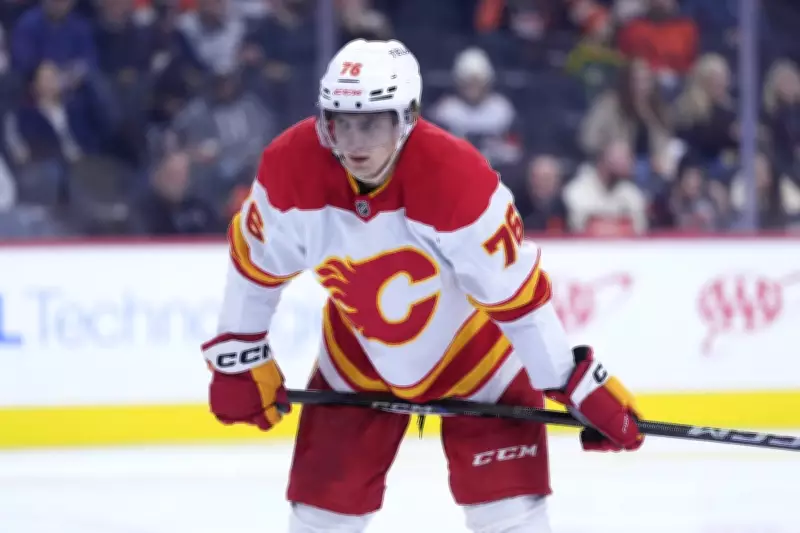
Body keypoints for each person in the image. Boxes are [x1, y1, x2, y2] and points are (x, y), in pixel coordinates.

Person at [200, 39, 644, 533]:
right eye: (341, 122)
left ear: (407, 118)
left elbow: (517, 300)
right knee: (319, 520)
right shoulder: (291, 165)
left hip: (481, 363)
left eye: (372, 123)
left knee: (511, 521)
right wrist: (238, 353)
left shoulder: (457, 178)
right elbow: (255, 264)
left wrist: (574, 383)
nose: (354, 143)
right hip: (359, 356)